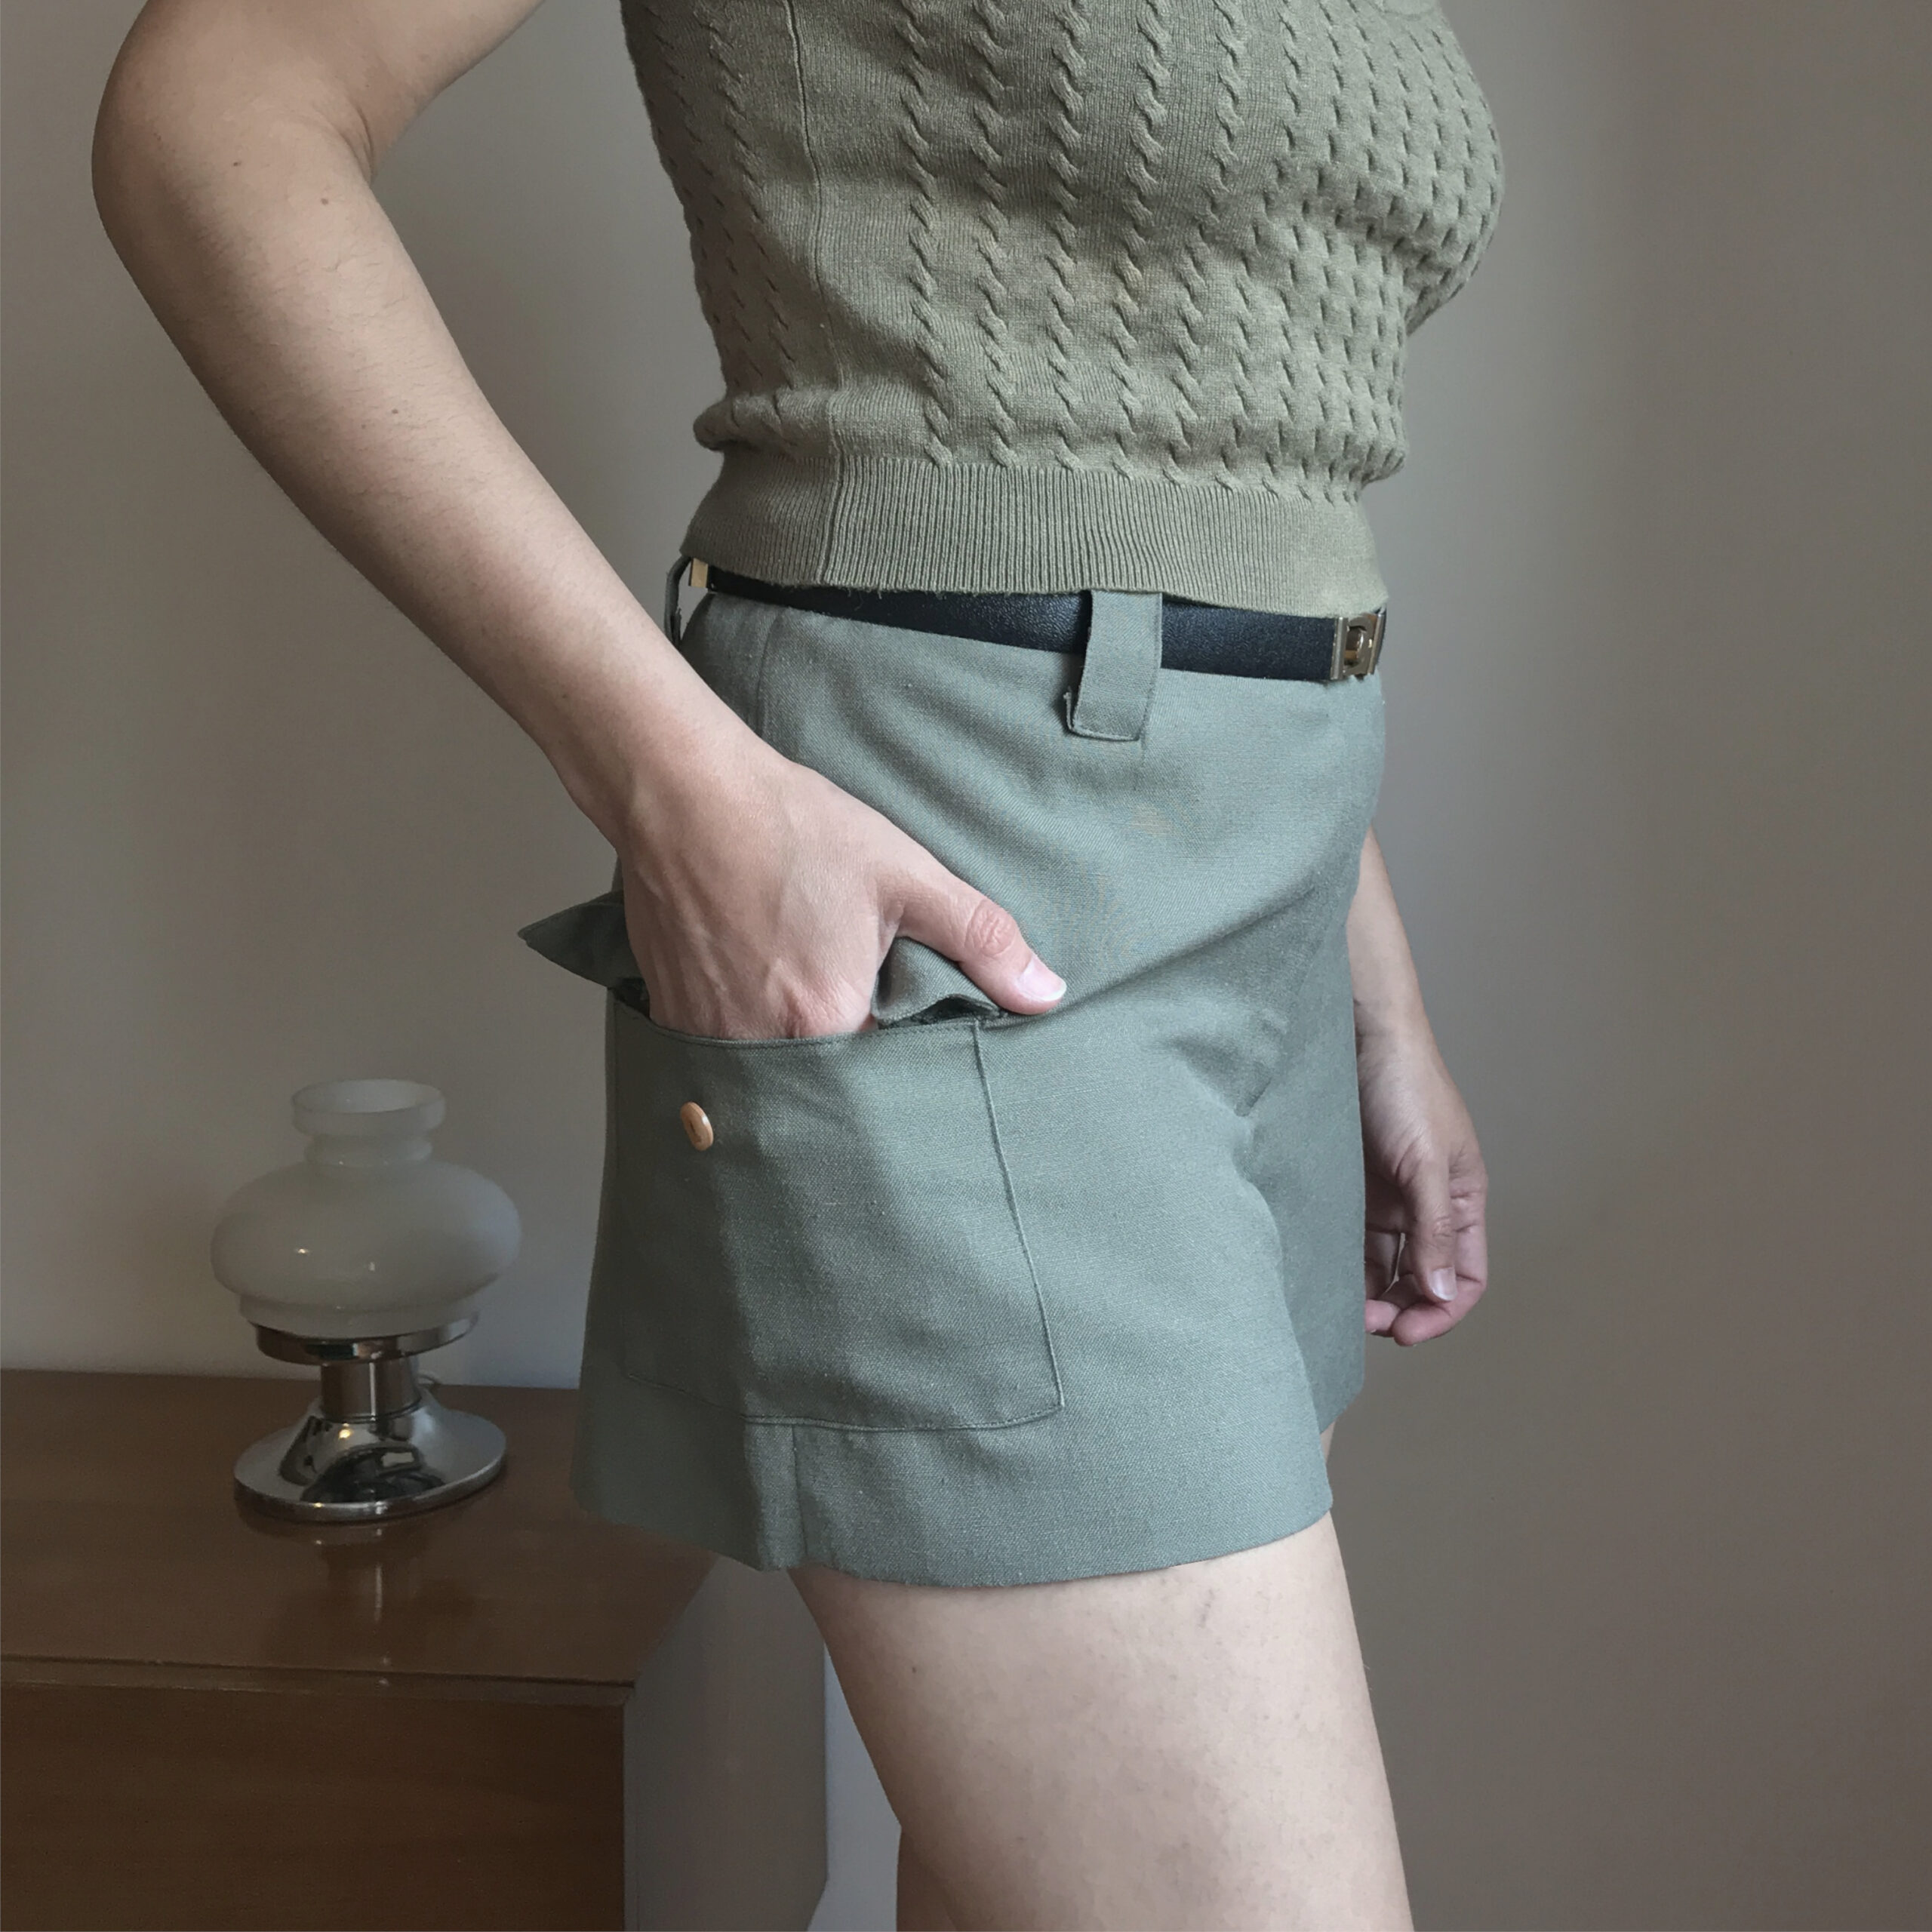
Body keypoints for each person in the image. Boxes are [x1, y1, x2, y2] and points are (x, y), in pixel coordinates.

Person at [94, 1, 1500, 1923]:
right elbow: (217, 109)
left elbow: (1201, 467)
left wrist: (1374, 996)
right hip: (957, 873)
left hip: (1264, 907)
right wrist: (672, 781)